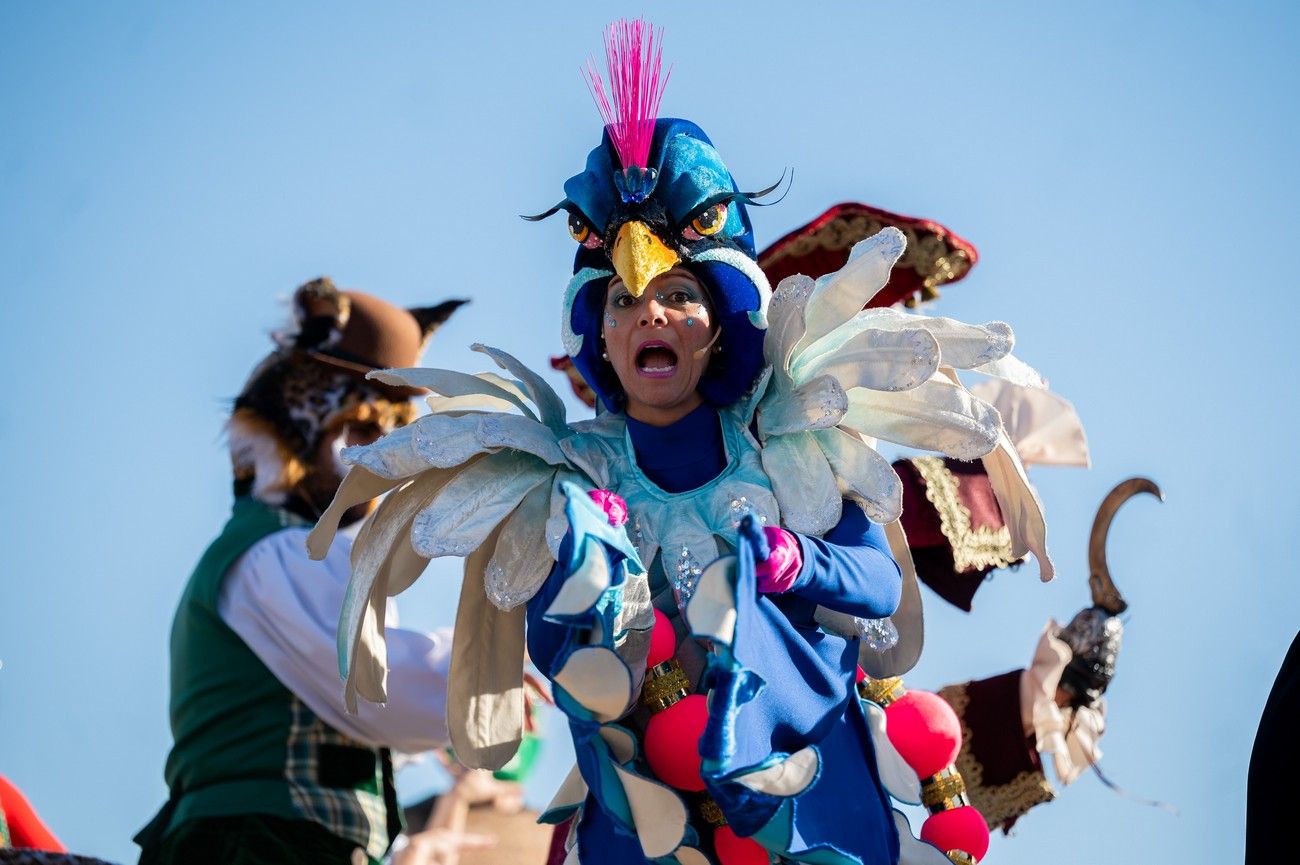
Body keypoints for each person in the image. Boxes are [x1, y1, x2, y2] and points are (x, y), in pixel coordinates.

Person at [310, 20, 1051, 865]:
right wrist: (600, 606)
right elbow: (558, 657)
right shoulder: (571, 478)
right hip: (648, 811)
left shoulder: (784, 439)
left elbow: (877, 583)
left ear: (720, 327)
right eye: (623, 303)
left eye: (675, 297)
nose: (648, 314)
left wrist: (793, 563)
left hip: (810, 783)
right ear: (602, 338)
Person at [135, 279, 467, 865]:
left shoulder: (306, 558)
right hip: (256, 849)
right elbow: (381, 688)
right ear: (300, 423)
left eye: (398, 434)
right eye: (364, 429)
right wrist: (511, 656)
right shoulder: (271, 556)